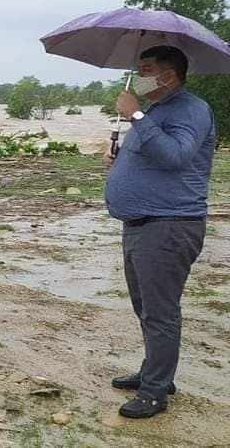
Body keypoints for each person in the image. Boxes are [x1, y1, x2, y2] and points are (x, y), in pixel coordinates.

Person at [105, 45, 216, 418]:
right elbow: (154, 155)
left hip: (168, 225)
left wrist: (135, 113)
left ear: (168, 75)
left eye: (146, 69)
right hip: (141, 224)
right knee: (146, 308)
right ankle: (155, 373)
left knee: (160, 312)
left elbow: (177, 155)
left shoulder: (191, 109)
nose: (139, 76)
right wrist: (121, 157)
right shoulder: (159, 111)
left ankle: (154, 393)